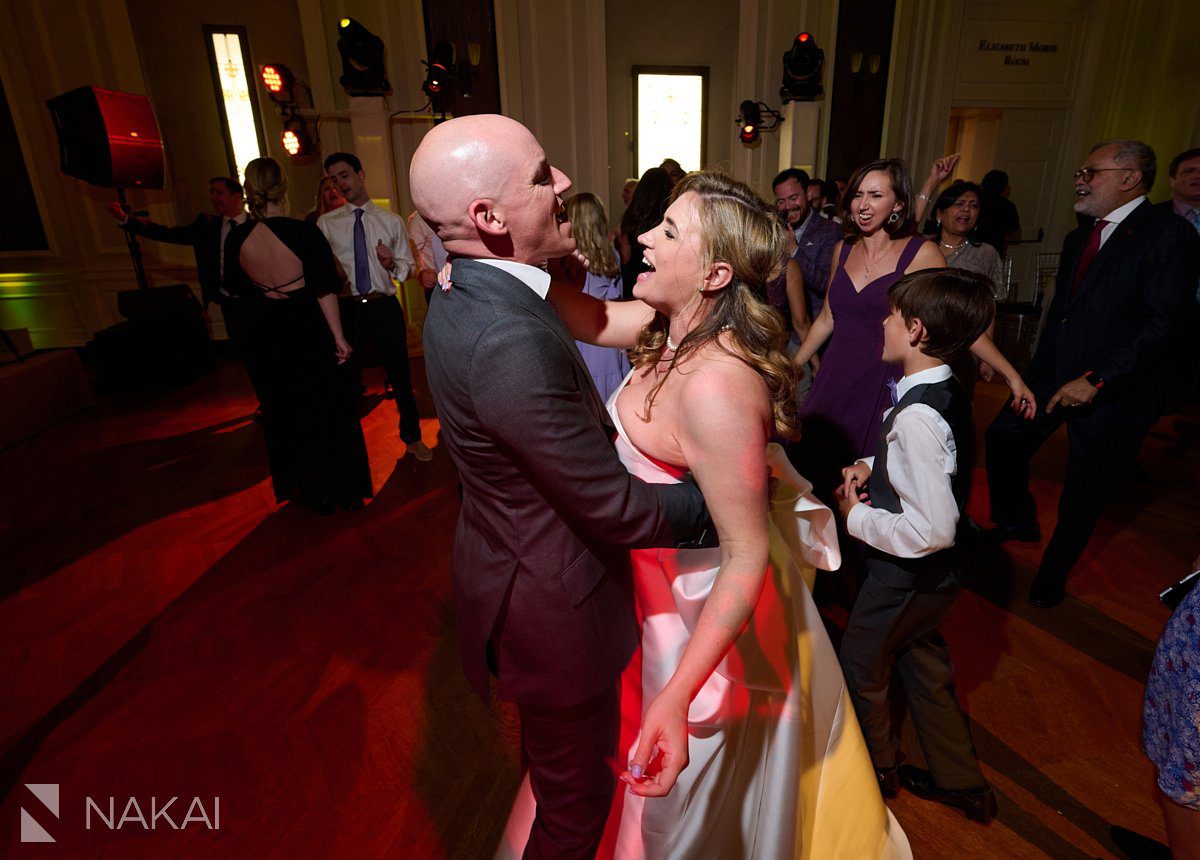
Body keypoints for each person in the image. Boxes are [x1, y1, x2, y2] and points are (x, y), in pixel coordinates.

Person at [410, 114, 713, 860]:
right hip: (552, 606)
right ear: (487, 217)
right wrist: (730, 509)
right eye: (542, 175)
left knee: (558, 781)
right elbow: (611, 505)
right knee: (576, 810)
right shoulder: (505, 336)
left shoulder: (475, 287)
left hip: (511, 565)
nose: (565, 185)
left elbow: (605, 317)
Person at [984, 139, 1200, 608]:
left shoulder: (1169, 234)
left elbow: (1164, 323)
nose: (1080, 181)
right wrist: (1030, 374)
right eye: (1081, 173)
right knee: (1004, 437)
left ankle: (1052, 575)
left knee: (1084, 488)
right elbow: (1062, 314)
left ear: (1129, 178)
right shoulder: (1078, 235)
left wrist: (1099, 379)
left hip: (1118, 389)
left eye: (1091, 172)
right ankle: (1017, 519)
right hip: (1053, 373)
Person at [835, 268, 999, 824]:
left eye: (892, 315)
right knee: (921, 661)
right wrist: (870, 464)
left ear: (917, 330)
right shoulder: (940, 390)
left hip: (905, 577)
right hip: (935, 583)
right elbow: (931, 466)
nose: (882, 322)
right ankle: (961, 781)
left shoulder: (920, 415)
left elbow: (932, 530)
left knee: (860, 663)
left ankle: (876, 772)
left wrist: (858, 518)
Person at [791, 159, 1035, 494]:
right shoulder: (842, 250)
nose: (863, 204)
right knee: (815, 474)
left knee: (866, 484)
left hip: (882, 381)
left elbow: (957, 321)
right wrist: (793, 366)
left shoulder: (922, 252)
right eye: (858, 194)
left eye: (875, 195)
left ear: (898, 204)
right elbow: (826, 319)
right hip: (835, 377)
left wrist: (1012, 375)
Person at [222, 157, 371, 514]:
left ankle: (307, 490)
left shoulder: (237, 237)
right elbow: (323, 289)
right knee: (328, 409)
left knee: (287, 412)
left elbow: (236, 290)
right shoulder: (303, 231)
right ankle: (342, 490)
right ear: (282, 187)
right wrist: (339, 337)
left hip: (267, 332)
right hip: (308, 328)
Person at [104, 176, 265, 408]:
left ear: (236, 196)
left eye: (219, 192)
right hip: (230, 303)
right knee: (247, 355)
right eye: (211, 192)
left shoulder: (257, 224)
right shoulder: (207, 225)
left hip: (258, 302)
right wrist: (127, 220)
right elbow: (170, 234)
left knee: (265, 353)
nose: (213, 197)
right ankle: (263, 401)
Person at [318, 152, 431, 461]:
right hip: (348, 310)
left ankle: (413, 438)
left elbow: (408, 270)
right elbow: (322, 275)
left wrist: (390, 262)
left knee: (401, 377)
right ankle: (349, 453)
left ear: (360, 175)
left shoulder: (390, 221)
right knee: (347, 383)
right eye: (333, 179)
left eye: (344, 175)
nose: (340, 183)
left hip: (384, 307)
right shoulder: (326, 225)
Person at [927, 181, 1005, 398]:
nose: (966, 210)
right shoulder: (923, 247)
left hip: (964, 347)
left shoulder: (986, 254)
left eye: (973, 205)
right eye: (959, 204)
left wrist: (988, 358)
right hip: (921, 342)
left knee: (954, 408)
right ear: (940, 213)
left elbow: (988, 309)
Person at [563, 192, 631, 402]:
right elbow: (615, 298)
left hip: (580, 336)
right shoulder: (611, 255)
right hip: (606, 338)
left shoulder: (566, 261)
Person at [772, 168, 842, 322]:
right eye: (781, 201)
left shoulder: (830, 231)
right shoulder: (774, 230)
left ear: (809, 193)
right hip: (779, 328)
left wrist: (794, 250)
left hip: (811, 329)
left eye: (793, 198)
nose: (788, 206)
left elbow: (825, 284)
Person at [618, 167, 674, 300]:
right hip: (658, 283)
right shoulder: (668, 220)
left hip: (633, 281)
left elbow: (625, 257)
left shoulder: (632, 217)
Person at [976, 169, 1021, 257]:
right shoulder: (1007, 206)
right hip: (995, 249)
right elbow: (1014, 232)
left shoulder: (976, 203)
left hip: (973, 247)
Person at [406, 209, 446, 303]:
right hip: (438, 286)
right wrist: (421, 274)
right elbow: (409, 256)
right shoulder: (420, 219)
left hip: (468, 283)